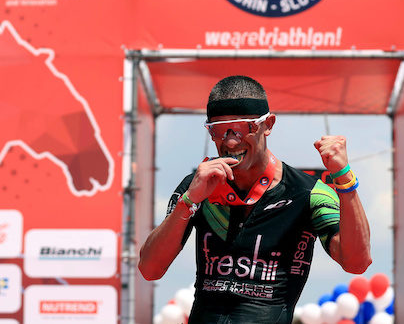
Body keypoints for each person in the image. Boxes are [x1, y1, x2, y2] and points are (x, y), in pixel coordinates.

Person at [138, 75, 372, 323]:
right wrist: (188, 201)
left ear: (268, 124)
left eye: (241, 128)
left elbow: (357, 263)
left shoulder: (309, 192)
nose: (229, 141)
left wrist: (345, 179)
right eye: (217, 130)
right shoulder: (197, 186)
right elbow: (150, 269)